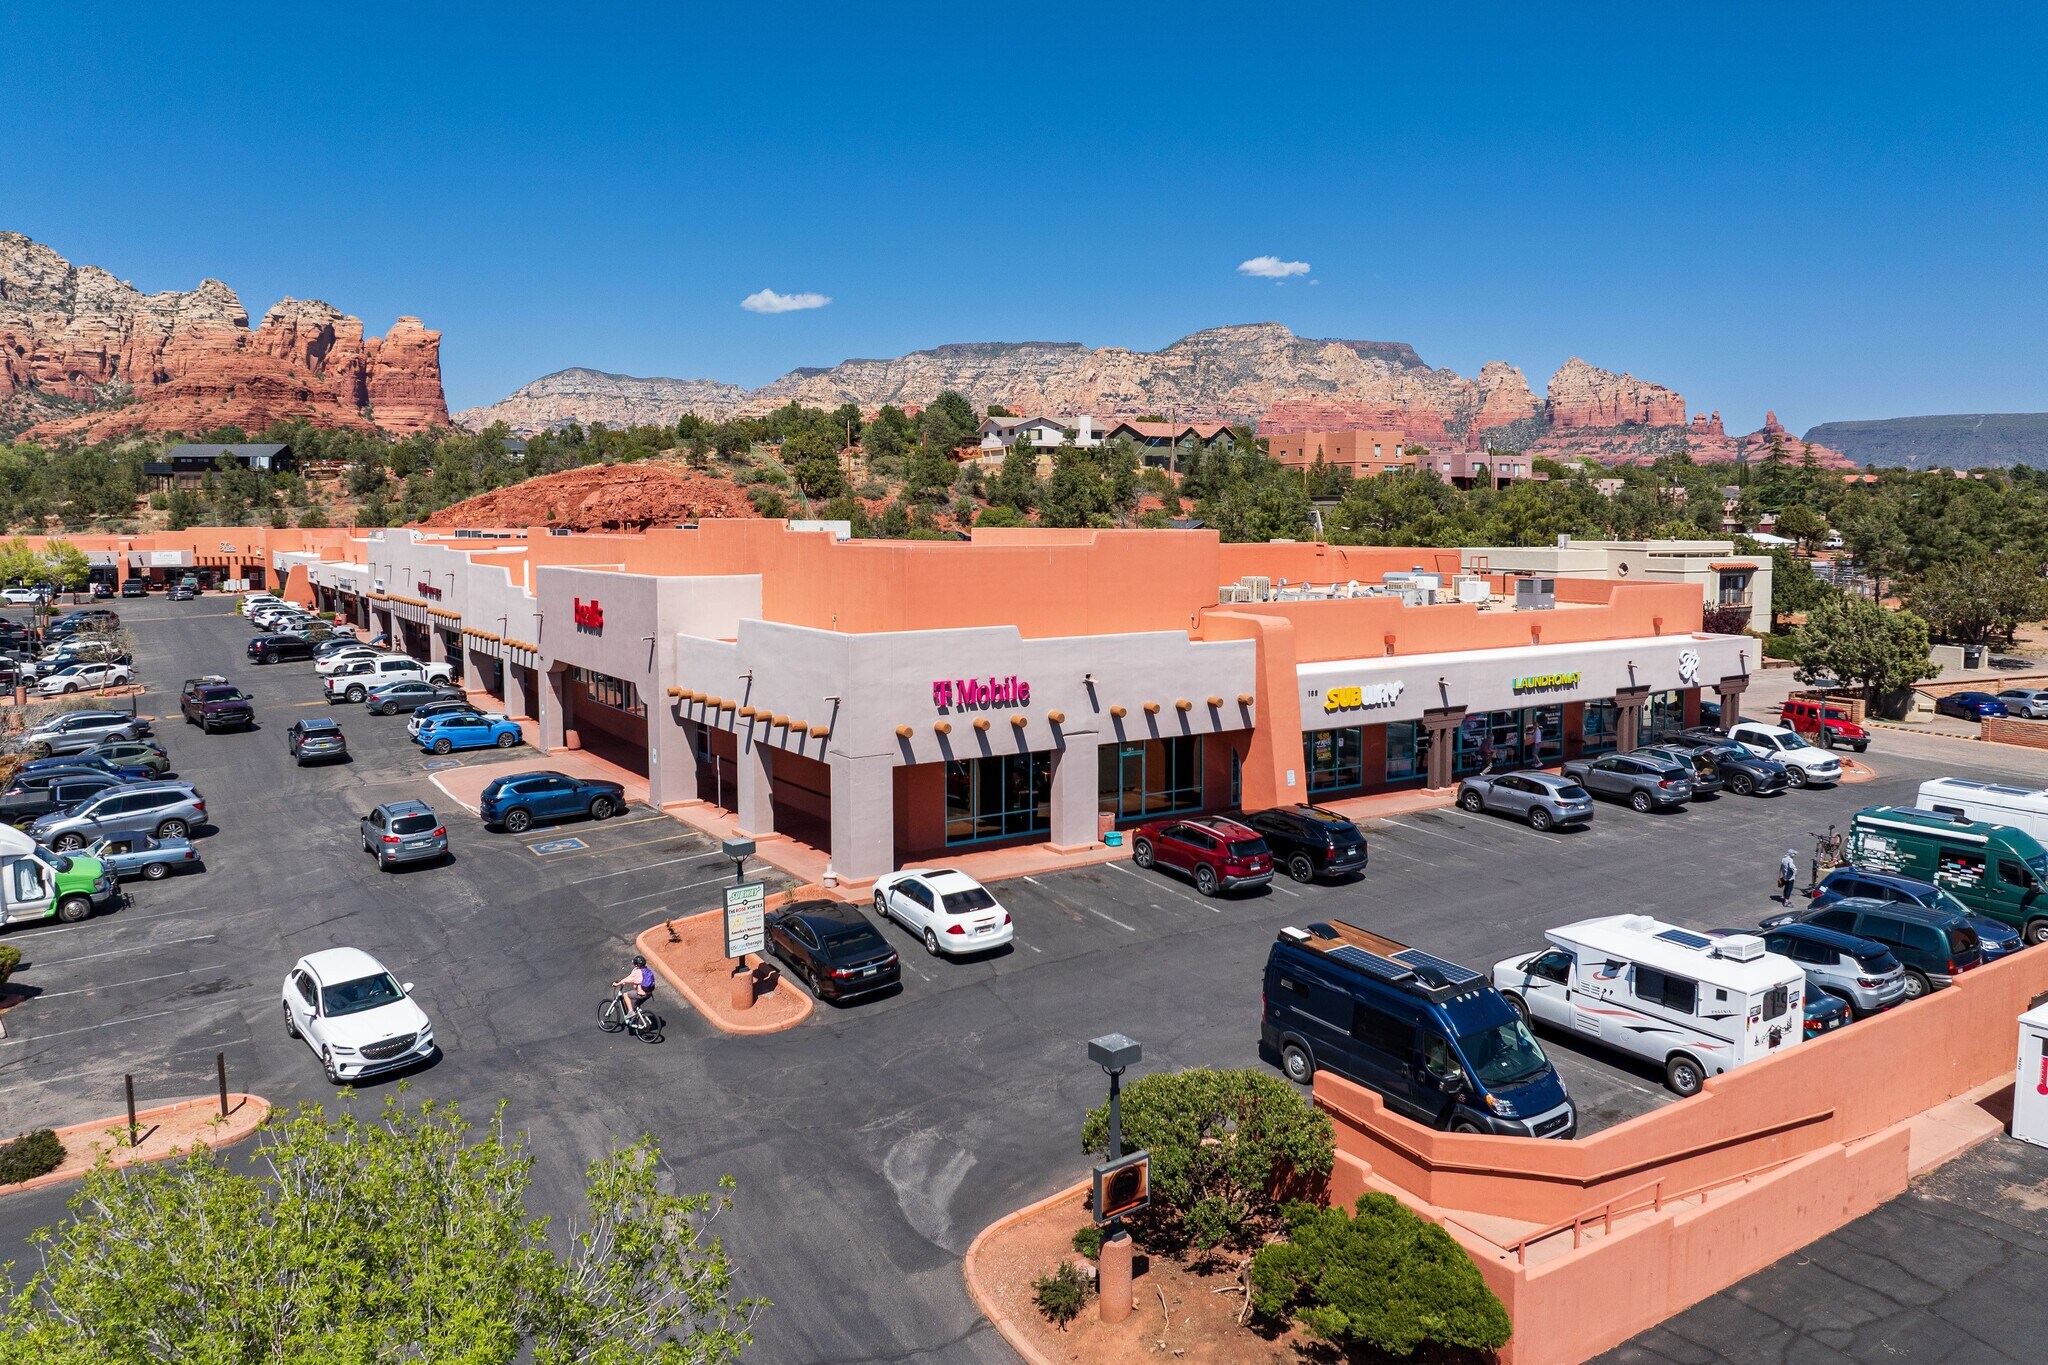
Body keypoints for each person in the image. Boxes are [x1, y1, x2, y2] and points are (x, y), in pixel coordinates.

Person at [612, 955, 655, 1026]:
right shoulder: (647, 970)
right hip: (649, 993)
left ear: (636, 964)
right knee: (636, 1005)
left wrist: (617, 984)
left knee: (625, 995)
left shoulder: (637, 972)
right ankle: (637, 1020)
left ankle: (631, 1012)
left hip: (642, 993)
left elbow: (627, 979)